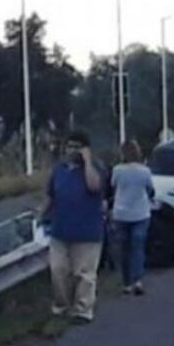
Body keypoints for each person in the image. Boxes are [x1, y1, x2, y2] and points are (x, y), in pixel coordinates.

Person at [39, 130, 107, 324]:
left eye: (78, 147)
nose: (73, 151)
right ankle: (61, 305)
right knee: (58, 270)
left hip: (87, 232)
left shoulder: (96, 168)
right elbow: (50, 195)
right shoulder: (59, 170)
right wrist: (40, 213)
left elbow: (94, 187)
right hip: (60, 230)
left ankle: (83, 310)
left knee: (84, 274)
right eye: (70, 146)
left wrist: (87, 162)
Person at [110, 140, 155, 295]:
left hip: (121, 213)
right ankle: (137, 280)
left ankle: (127, 281)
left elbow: (113, 186)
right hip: (141, 212)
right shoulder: (145, 171)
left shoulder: (117, 170)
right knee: (138, 246)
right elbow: (150, 189)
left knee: (124, 248)